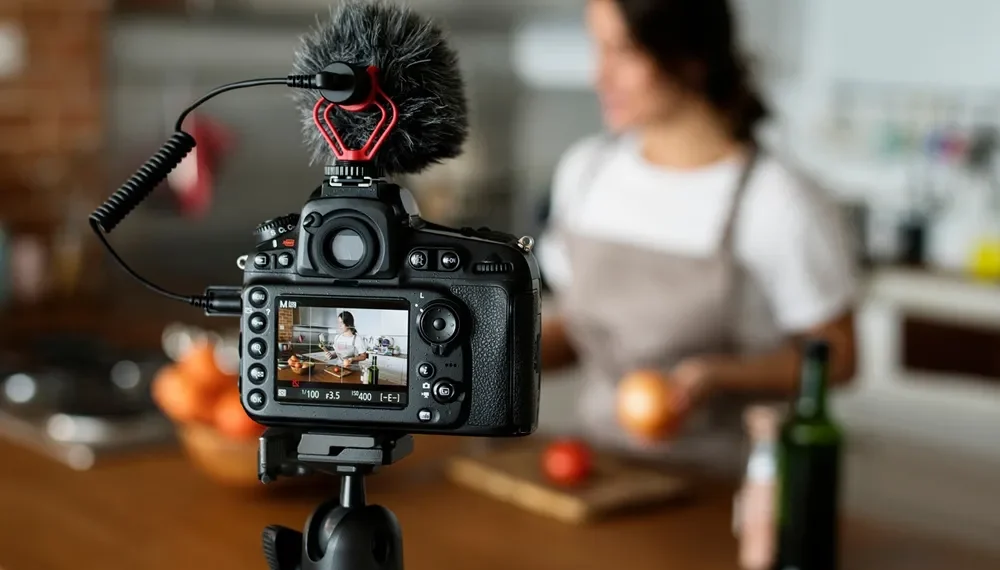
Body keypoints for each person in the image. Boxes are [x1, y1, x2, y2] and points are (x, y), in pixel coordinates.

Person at [538, 0, 858, 468]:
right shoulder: (587, 171)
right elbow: (577, 325)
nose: (598, 75)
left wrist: (718, 375)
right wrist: (492, 355)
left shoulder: (777, 201)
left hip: (724, 485)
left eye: (622, 51)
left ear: (689, 56)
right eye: (597, 48)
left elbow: (841, 357)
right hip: (599, 467)